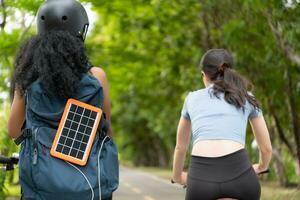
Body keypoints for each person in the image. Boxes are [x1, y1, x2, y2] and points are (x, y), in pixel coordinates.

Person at [7, 0, 118, 199]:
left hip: (40, 190)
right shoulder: (96, 76)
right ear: (80, 31)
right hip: (90, 189)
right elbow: (106, 128)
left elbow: (13, 130)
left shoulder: (27, 78)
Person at [172, 49, 272, 200]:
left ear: (203, 74)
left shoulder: (191, 99)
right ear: (229, 72)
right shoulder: (245, 97)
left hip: (201, 178)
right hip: (241, 176)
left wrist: (177, 176)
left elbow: (181, 147)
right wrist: (261, 167)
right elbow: (266, 148)